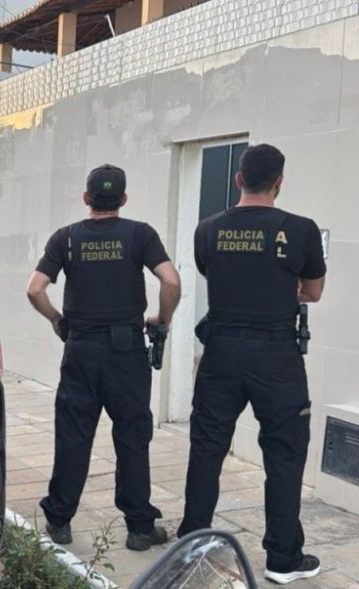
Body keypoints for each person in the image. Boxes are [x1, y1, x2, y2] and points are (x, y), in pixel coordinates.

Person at [177, 144, 326, 584]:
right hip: (276, 356)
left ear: (238, 179)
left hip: (221, 351)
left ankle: (192, 545)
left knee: (207, 448)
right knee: (284, 455)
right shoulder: (300, 230)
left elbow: (214, 274)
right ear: (279, 183)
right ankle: (283, 558)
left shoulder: (207, 229)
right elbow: (313, 292)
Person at [26, 164, 182, 551]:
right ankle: (140, 528)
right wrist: (162, 320)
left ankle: (59, 521)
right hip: (126, 352)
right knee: (132, 437)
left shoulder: (66, 238)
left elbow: (35, 289)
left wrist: (57, 320)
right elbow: (171, 281)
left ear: (86, 198)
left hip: (80, 349)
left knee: (73, 435)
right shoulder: (140, 235)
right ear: (123, 199)